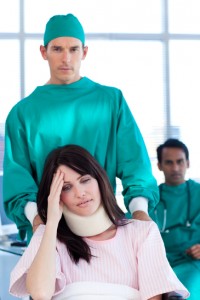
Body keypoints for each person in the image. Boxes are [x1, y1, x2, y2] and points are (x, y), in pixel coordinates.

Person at [3, 13, 159, 242]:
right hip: (50, 230)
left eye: (73, 49)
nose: (66, 58)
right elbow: (18, 179)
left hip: (106, 227)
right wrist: (37, 221)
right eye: (57, 49)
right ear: (43, 52)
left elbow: (135, 164)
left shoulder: (110, 101)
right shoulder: (23, 113)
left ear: (84, 52)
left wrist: (140, 210)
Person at [9, 144, 189, 300]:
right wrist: (52, 223)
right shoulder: (47, 237)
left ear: (100, 180)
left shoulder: (142, 232)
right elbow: (40, 294)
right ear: (55, 196)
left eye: (85, 180)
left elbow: (154, 296)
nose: (80, 193)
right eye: (66, 187)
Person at [150, 138, 200, 299]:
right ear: (159, 165)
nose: (175, 168)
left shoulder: (198, 192)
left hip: (191, 262)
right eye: (169, 162)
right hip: (157, 265)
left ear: (188, 163)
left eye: (180, 161)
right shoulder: (150, 199)